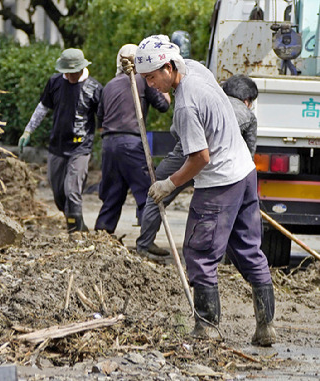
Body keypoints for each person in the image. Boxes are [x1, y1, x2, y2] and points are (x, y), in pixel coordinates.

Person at [133, 35, 276, 346]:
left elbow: (199, 158)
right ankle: (266, 328)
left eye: (153, 77)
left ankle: (207, 327)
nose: (150, 85)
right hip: (244, 171)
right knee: (249, 250)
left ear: (169, 68)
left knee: (199, 253)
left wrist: (169, 184)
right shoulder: (197, 69)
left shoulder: (185, 104)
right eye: (145, 79)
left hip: (219, 182)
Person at [136, 74, 259, 257]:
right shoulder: (247, 114)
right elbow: (247, 155)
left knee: (156, 194)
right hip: (220, 165)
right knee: (225, 210)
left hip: (184, 153)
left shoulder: (210, 100)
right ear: (248, 100)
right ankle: (223, 255)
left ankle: (144, 246)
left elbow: (175, 130)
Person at [18, 48, 103, 233]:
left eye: (74, 72)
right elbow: (42, 108)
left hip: (80, 148)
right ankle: (78, 224)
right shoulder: (55, 82)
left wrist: (107, 142)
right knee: (58, 194)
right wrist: (28, 131)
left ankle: (76, 235)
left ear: (81, 68)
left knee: (72, 191)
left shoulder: (94, 88)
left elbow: (103, 119)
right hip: (57, 146)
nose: (70, 76)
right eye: (67, 72)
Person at [94, 44, 170, 237]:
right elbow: (163, 106)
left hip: (109, 144)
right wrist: (167, 89)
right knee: (147, 194)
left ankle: (101, 238)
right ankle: (146, 242)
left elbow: (100, 121)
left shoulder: (109, 85)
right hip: (132, 143)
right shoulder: (141, 81)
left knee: (112, 195)